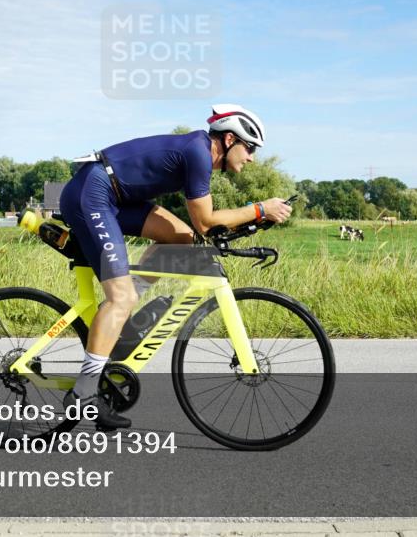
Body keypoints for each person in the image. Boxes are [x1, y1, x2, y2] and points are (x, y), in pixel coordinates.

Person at [59, 104, 292, 429]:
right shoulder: (198, 154)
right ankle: (83, 394)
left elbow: (197, 230)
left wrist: (254, 218)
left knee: (181, 237)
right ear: (228, 140)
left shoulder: (200, 151)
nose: (251, 157)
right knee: (120, 298)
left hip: (115, 196)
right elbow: (207, 221)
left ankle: (122, 312)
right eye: (249, 148)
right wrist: (259, 209)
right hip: (92, 193)